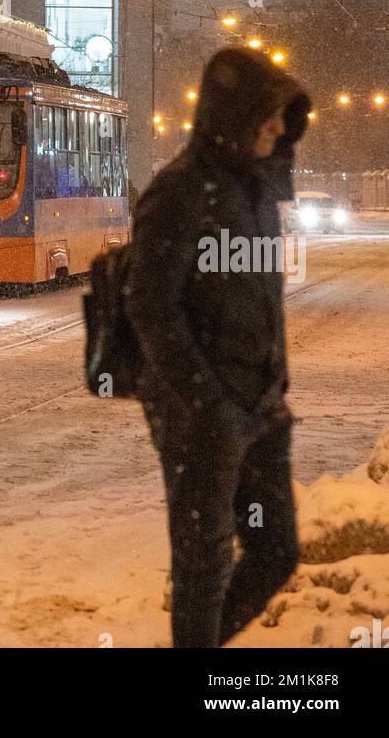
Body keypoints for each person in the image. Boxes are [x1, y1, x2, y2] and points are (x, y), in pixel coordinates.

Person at [125, 47, 310, 649]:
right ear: (236, 115)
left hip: (257, 408)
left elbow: (264, 297)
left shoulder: (254, 191)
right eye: (270, 115)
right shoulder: (179, 192)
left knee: (276, 551)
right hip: (196, 416)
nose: (280, 128)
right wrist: (211, 406)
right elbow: (151, 309)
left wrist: (272, 388)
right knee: (203, 572)